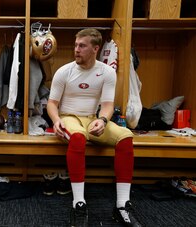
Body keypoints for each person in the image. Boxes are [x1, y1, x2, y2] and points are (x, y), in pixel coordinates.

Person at [46, 28, 142, 227]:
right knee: (78, 138)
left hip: (92, 118)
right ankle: (78, 203)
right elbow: (51, 103)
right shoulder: (64, 71)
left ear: (95, 48)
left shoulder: (106, 72)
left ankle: (122, 205)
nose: (76, 50)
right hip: (68, 117)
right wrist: (56, 121)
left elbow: (107, 106)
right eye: (75, 45)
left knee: (125, 136)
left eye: (82, 46)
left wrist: (104, 120)